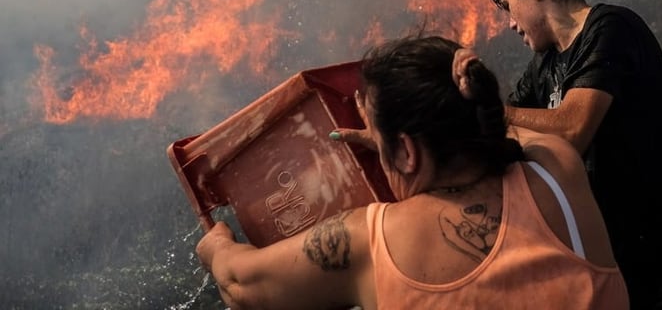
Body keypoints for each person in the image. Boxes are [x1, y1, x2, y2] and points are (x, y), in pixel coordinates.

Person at [195, 35, 629, 310]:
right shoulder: (556, 167)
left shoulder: (370, 242)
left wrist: (216, 244)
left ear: (407, 151)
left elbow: (239, 284)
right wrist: (395, 137)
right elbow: (496, 123)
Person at [486, 0, 662, 309]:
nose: (511, 24)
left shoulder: (612, 27)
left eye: (508, 6)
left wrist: (490, 113)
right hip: (612, 266)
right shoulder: (544, 63)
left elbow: (572, 129)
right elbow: (502, 128)